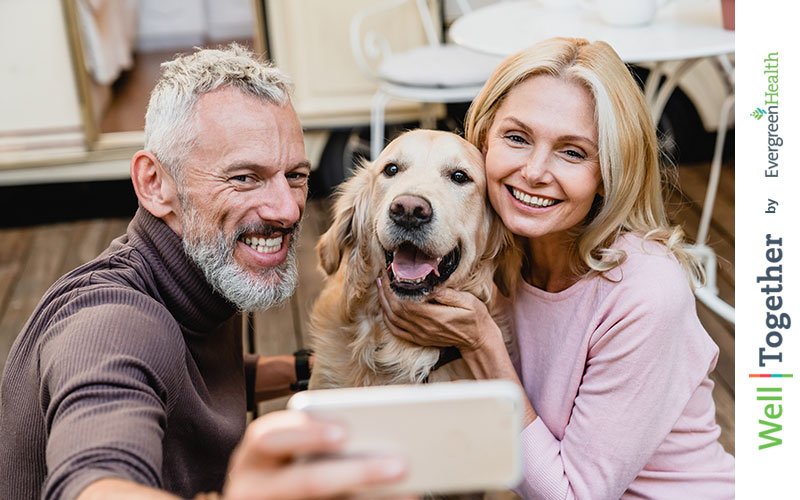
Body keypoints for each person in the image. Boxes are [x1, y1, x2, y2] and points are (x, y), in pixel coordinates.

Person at [0, 45, 409, 499]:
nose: (287, 209)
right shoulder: (112, 324)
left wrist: (314, 368)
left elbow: (190, 379)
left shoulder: (201, 271)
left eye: (294, 175)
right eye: (244, 178)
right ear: (155, 184)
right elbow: (94, 486)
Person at [377, 37, 735, 499]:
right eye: (517, 138)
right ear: (483, 139)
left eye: (572, 152)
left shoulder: (645, 291)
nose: (533, 171)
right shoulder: (491, 256)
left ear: (609, 171)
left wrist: (482, 343)